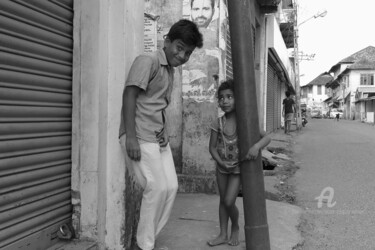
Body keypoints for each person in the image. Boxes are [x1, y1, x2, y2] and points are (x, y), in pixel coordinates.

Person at [119, 19, 203, 250]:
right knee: (155, 187)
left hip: (157, 137)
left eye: (188, 53)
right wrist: (131, 137)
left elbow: (156, 105)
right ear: (166, 41)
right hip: (139, 134)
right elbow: (130, 96)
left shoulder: (170, 70)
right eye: (179, 47)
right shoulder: (148, 61)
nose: (183, 56)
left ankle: (147, 241)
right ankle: (143, 245)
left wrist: (164, 131)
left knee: (171, 187)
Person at [207, 79, 271, 247]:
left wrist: (256, 147)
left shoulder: (246, 121)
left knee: (229, 201)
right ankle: (222, 234)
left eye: (229, 97)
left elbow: (267, 137)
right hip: (222, 168)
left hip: (237, 169)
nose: (225, 101)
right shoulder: (218, 122)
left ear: (238, 99)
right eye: (221, 98)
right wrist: (220, 163)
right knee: (222, 201)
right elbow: (212, 148)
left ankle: (235, 227)